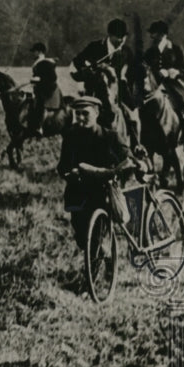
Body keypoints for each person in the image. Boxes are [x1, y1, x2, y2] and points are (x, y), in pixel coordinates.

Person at [57, 95, 135, 251]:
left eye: (85, 114)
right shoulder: (71, 137)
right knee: (82, 239)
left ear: (96, 114)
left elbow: (127, 157)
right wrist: (68, 173)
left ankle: (99, 265)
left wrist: (126, 168)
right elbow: (62, 166)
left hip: (103, 192)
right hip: (78, 192)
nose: (80, 118)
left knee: (96, 237)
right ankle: (101, 254)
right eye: (77, 113)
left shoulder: (109, 136)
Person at [143, 20, 184, 154]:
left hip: (173, 83)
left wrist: (172, 72)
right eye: (153, 34)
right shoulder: (150, 51)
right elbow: (144, 66)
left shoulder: (176, 48)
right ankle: (143, 142)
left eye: (155, 34)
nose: (153, 36)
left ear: (162, 35)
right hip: (155, 84)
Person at [27, 42, 61, 137]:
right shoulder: (39, 63)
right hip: (39, 88)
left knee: (41, 104)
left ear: (39, 52)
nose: (33, 53)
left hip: (47, 89)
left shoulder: (45, 63)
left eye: (34, 51)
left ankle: (40, 127)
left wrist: (39, 79)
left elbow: (52, 77)